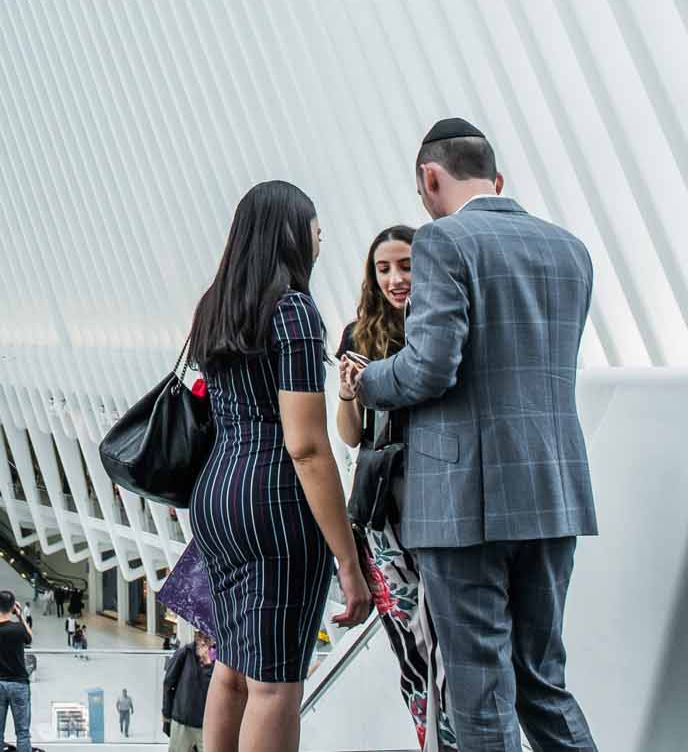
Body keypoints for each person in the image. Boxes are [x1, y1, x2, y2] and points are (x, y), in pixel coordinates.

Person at [343, 119, 600, 752]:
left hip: (464, 506)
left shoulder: (444, 243)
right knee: (543, 680)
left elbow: (431, 365)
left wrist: (369, 380)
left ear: (430, 177)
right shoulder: (570, 250)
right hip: (552, 493)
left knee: (480, 689)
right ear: (498, 178)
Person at [186, 181, 372, 752]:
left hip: (217, 495)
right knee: (275, 685)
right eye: (315, 228)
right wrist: (347, 560)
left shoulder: (214, 307)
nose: (320, 240)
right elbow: (307, 445)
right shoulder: (292, 311)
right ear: (291, 232)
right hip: (273, 503)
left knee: (233, 667)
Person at [336, 225, 459, 751]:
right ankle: (429, 740)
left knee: (453, 646)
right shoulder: (358, 335)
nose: (395, 278)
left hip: (439, 502)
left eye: (406, 265)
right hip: (383, 514)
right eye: (383, 268)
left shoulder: (439, 329)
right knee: (409, 649)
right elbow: (352, 435)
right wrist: (347, 393)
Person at [0, 591, 33, 752]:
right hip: (19, 684)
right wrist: (19, 615)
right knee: (22, 732)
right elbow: (29, 638)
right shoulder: (17, 629)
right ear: (12, 608)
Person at [161, 633, 214, 752]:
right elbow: (168, 684)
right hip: (182, 723)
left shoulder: (218, 660)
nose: (204, 641)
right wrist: (166, 717)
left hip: (207, 727)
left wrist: (208, 663)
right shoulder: (184, 653)